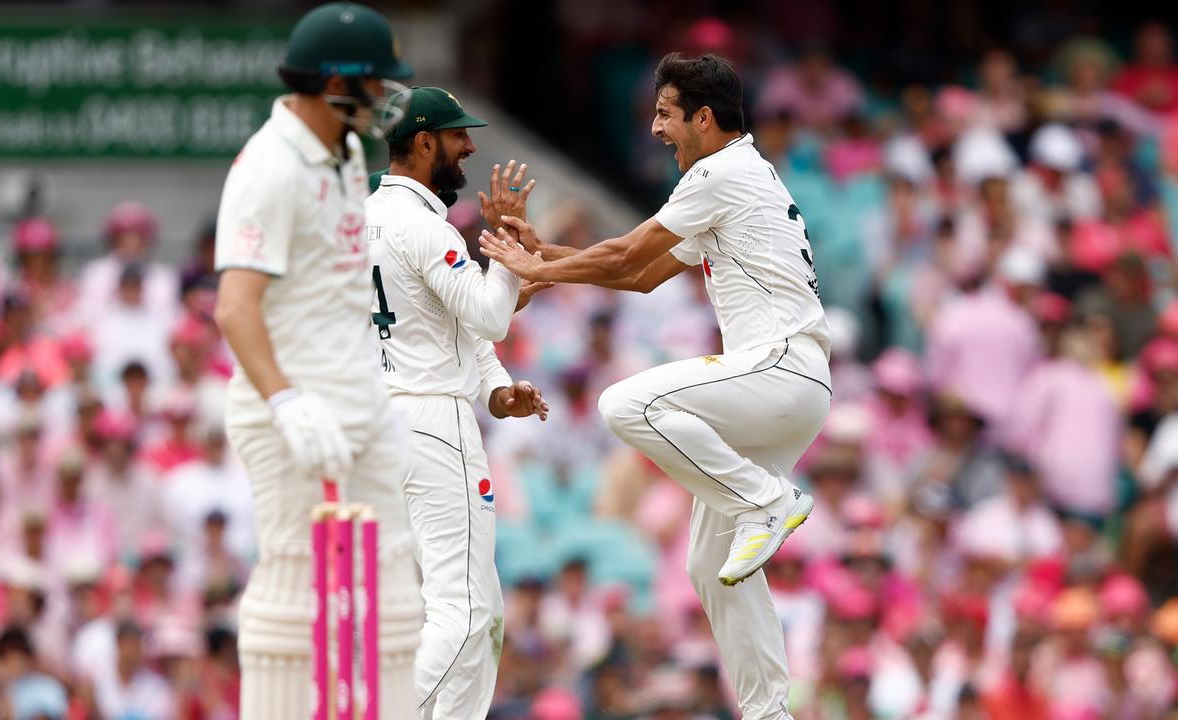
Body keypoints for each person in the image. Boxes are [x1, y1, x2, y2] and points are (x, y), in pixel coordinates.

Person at [480, 52, 831, 718]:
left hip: (780, 371)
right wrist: (543, 256)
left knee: (625, 402)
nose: (654, 130)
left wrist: (536, 266)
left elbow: (622, 256)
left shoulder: (720, 172)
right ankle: (769, 712)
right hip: (785, 390)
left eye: (666, 114)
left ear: (705, 118)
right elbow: (638, 274)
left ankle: (765, 499)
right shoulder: (738, 177)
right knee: (710, 566)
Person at [212, 3, 421, 717]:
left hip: (357, 401)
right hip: (293, 413)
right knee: (297, 595)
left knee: (396, 594)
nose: (386, 99)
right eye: (376, 85)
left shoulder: (347, 152)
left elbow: (340, 292)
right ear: (338, 81)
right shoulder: (270, 166)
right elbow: (235, 308)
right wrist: (286, 404)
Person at [365, 87, 549, 718]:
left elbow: (454, 329)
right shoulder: (423, 224)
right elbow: (491, 314)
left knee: (479, 611)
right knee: (464, 609)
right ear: (423, 143)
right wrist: (505, 241)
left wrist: (497, 391)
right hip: (431, 426)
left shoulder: (360, 220)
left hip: (383, 423)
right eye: (456, 136)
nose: (469, 147)